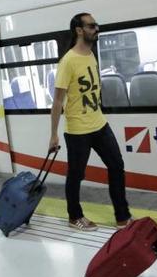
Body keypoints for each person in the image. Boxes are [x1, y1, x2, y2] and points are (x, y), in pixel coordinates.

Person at [48, 13, 133, 231]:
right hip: (77, 130)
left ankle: (122, 217)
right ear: (79, 30)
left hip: (99, 123)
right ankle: (74, 216)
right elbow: (58, 101)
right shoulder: (68, 61)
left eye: (96, 25)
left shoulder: (91, 54)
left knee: (116, 165)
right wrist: (54, 134)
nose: (97, 29)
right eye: (92, 26)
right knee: (76, 175)